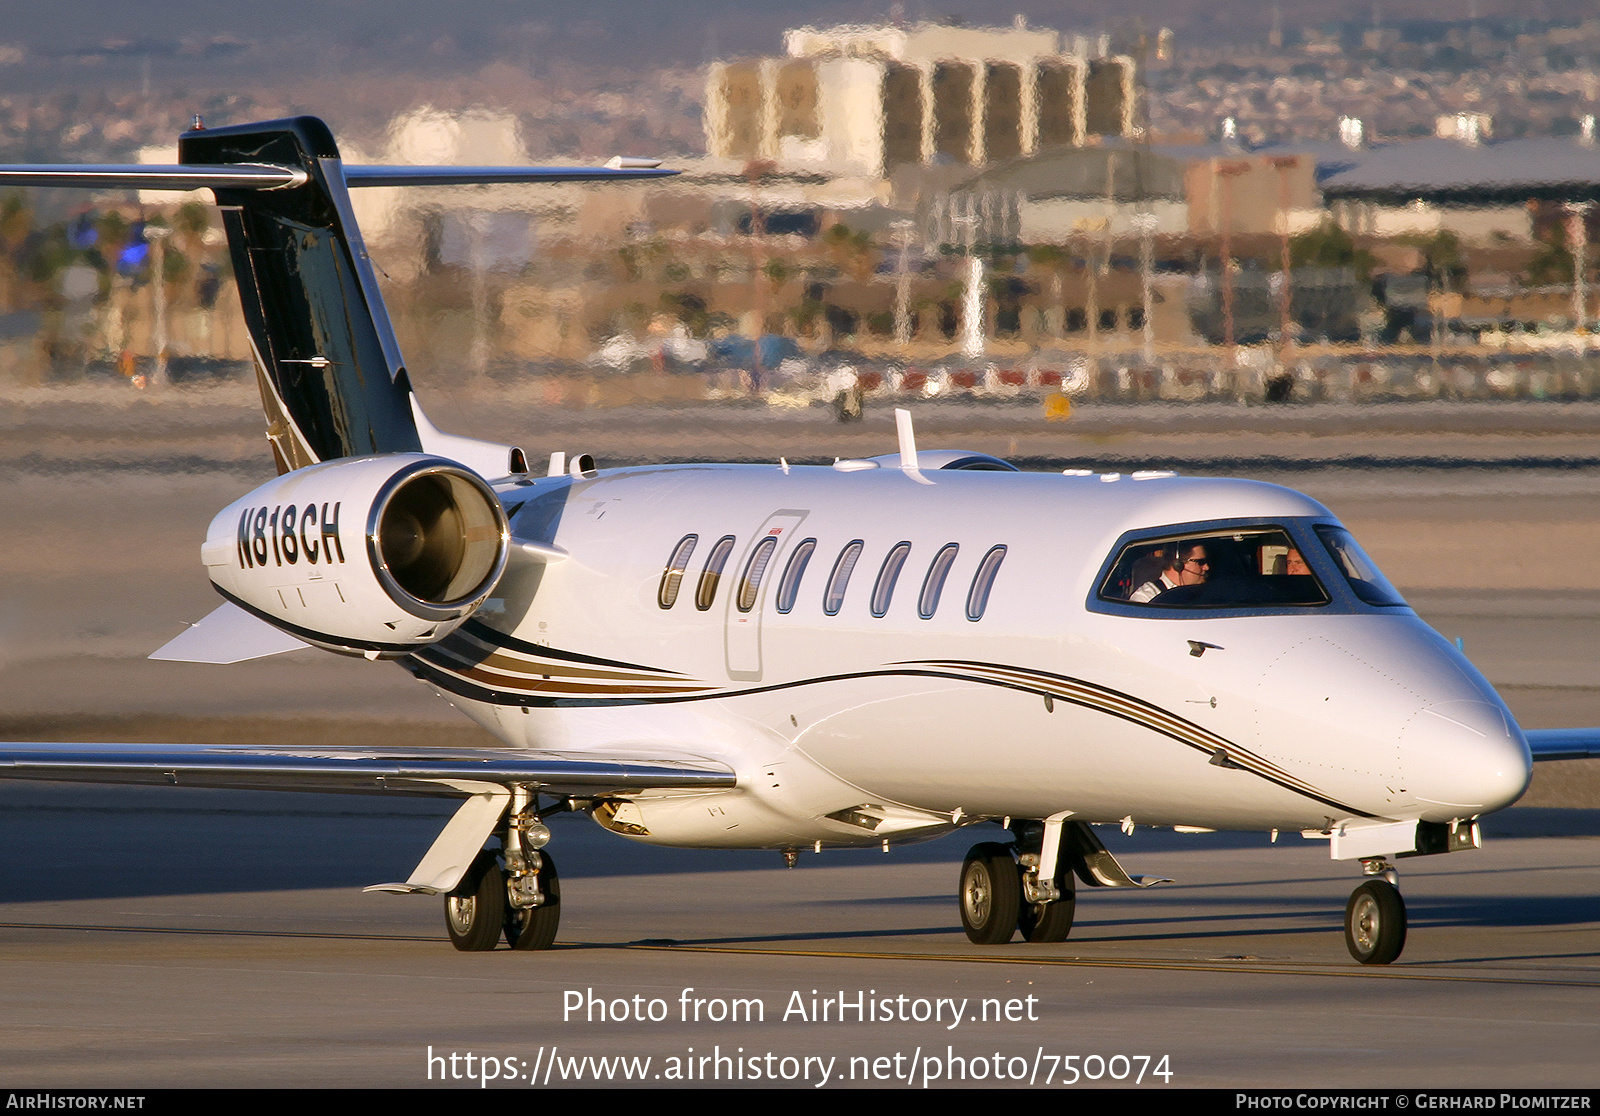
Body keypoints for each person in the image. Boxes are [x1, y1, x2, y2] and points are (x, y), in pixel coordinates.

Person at [1130, 541, 1209, 602]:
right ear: (1178, 565)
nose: (1206, 567)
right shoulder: (1146, 598)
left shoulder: (1208, 593)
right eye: (1200, 562)